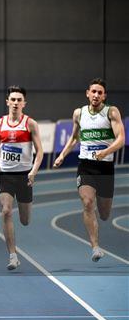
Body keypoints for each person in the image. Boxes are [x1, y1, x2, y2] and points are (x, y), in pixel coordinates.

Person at [54, 78, 125, 262]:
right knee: (87, 203)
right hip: (86, 165)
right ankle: (95, 247)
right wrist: (62, 155)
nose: (96, 95)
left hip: (105, 167)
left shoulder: (111, 112)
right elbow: (74, 137)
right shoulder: (79, 113)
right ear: (87, 93)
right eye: (93, 91)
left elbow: (121, 139)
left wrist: (106, 152)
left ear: (104, 96)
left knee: (104, 213)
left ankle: (100, 222)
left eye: (100, 92)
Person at [0, 86, 43, 270]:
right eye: (12, 99)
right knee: (5, 211)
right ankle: (13, 256)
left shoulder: (30, 124)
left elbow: (40, 151)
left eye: (19, 100)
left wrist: (33, 172)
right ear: (7, 102)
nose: (15, 103)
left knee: (25, 220)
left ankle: (26, 207)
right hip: (5, 174)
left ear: (24, 103)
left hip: (24, 176)